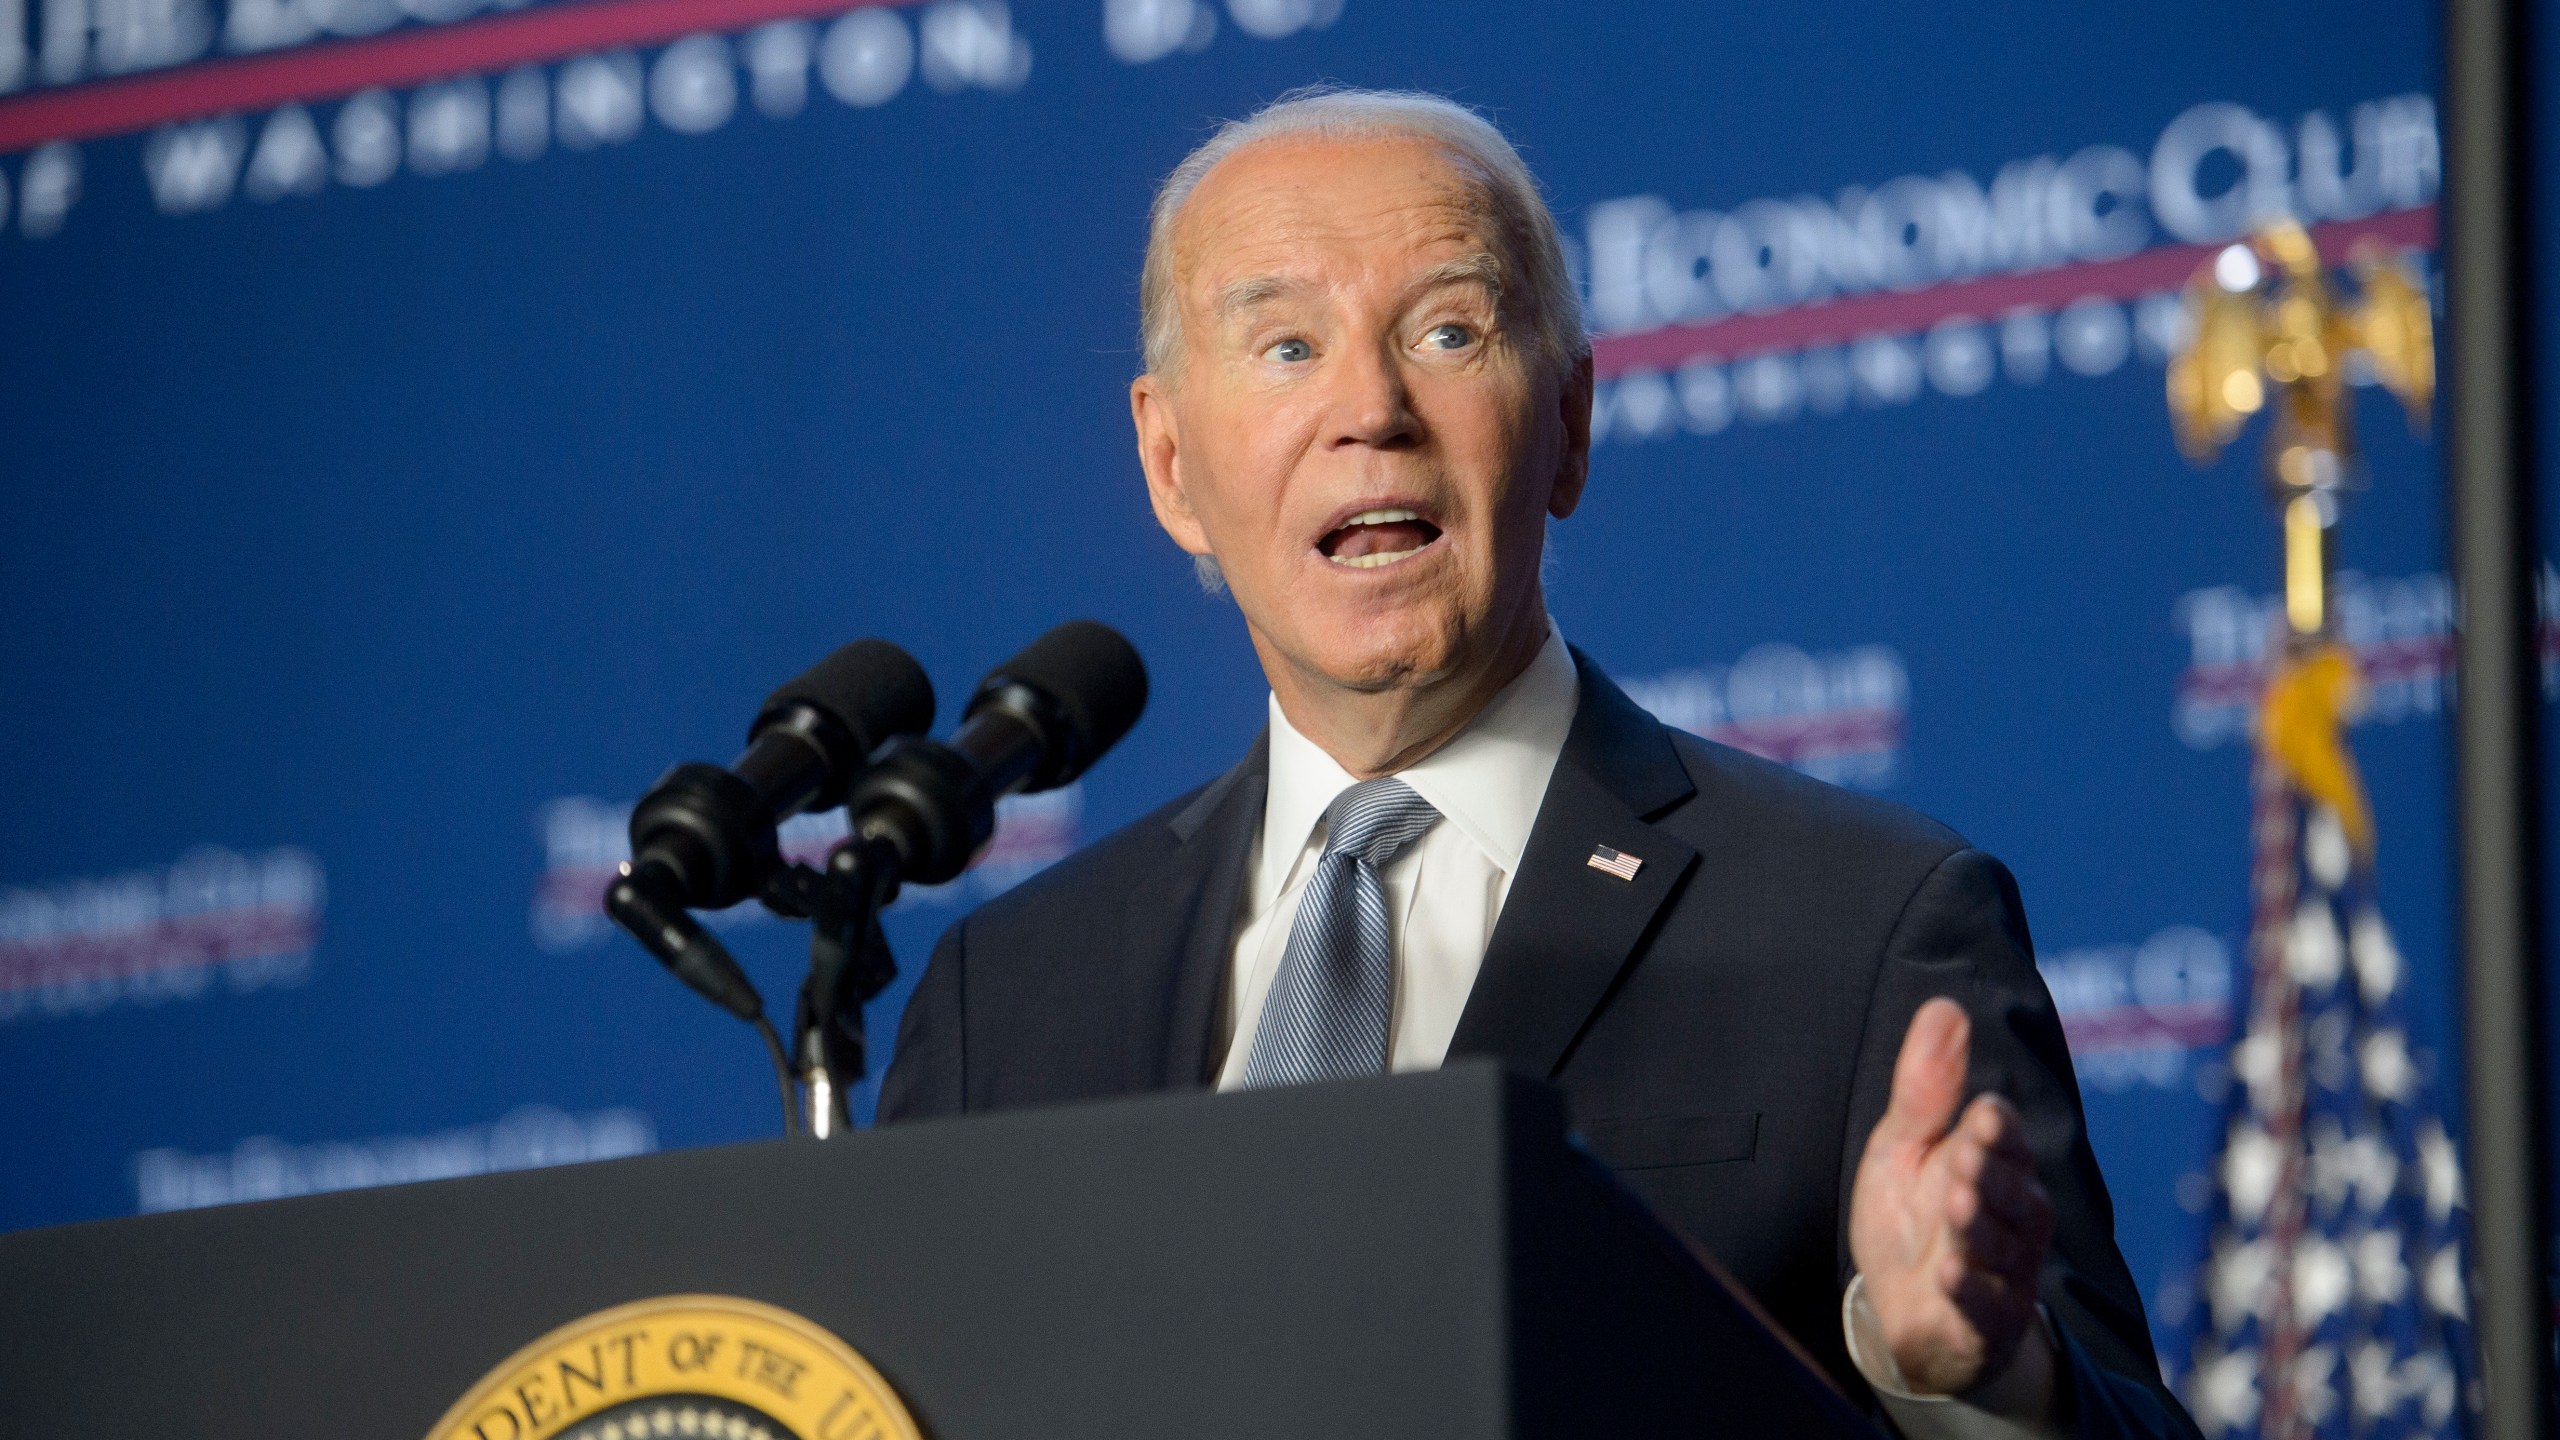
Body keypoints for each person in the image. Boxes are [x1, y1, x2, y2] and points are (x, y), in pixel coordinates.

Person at [881, 87, 2198, 1440]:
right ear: (1170, 465)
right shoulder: (1008, 1000)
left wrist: (1966, 1376)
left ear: (1568, 423)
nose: (1370, 409)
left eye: (1448, 331)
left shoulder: (1868, 927)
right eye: (1285, 345)